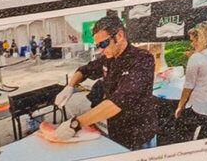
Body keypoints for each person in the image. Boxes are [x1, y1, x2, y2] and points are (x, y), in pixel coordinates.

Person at [65, 19, 162, 150]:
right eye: (97, 45)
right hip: (117, 131)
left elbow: (120, 100)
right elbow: (85, 70)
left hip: (139, 134)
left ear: (119, 36)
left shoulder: (142, 59)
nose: (100, 50)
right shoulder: (108, 58)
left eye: (103, 43)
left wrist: (76, 123)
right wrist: (70, 86)